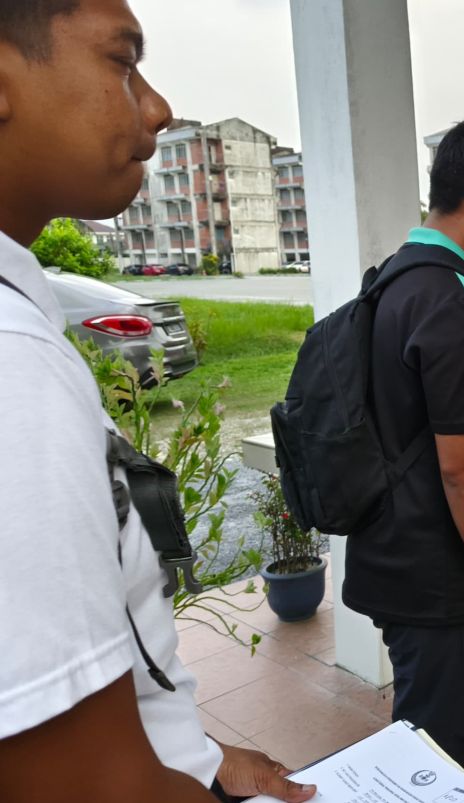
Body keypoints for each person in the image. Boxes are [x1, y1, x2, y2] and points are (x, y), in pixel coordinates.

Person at [0, 2, 315, 801]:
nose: (158, 108)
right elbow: (84, 786)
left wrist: (195, 758)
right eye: (121, 60)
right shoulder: (15, 366)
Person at [344, 117, 464, 768]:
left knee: (419, 728)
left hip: (388, 551)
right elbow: (463, 470)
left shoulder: (393, 278)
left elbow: (406, 421)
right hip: (438, 577)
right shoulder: (459, 297)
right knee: (436, 748)